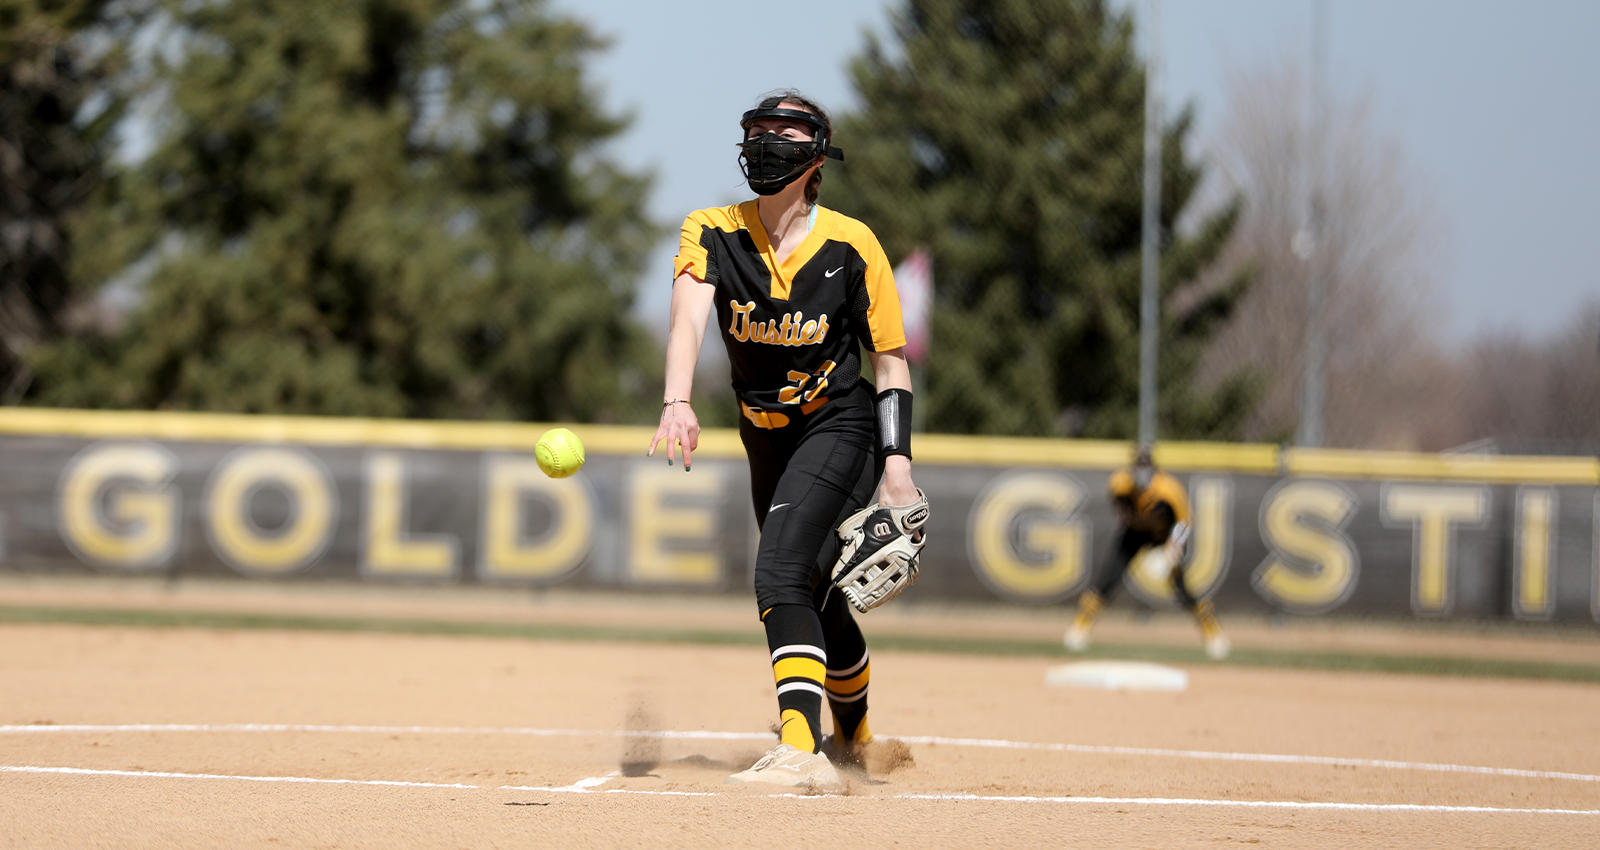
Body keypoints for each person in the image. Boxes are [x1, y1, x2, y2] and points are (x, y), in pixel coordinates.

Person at [646, 89, 922, 792]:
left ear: (816, 154)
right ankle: (854, 738)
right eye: (757, 130)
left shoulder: (853, 244)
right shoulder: (710, 229)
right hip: (763, 437)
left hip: (841, 425)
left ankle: (799, 748)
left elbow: (891, 362)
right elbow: (686, 321)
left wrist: (897, 468)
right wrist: (676, 399)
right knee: (816, 590)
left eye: (785, 131)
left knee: (777, 573)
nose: (767, 141)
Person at [1064, 446, 1230, 660]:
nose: (1142, 473)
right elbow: (1120, 510)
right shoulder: (1120, 483)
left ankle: (1213, 633)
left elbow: (1185, 521)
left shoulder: (1168, 489)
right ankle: (1079, 628)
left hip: (1163, 536)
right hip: (1134, 534)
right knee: (1107, 579)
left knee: (1182, 589)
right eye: (1138, 467)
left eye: (1146, 467)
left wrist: (1171, 551)